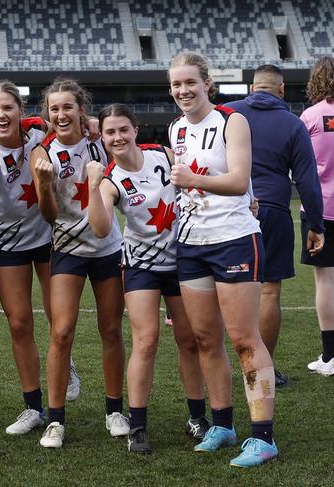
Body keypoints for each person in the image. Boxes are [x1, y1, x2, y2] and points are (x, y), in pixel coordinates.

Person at [167, 52, 278, 467]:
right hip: (192, 244)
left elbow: (237, 179)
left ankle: (263, 437)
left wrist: (194, 180)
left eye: (190, 83)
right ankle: (224, 425)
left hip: (233, 240)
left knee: (245, 339)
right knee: (204, 340)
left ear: (207, 83)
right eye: (176, 85)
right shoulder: (177, 127)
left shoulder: (233, 121)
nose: (183, 91)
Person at [87, 103, 208, 454]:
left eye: (123, 129)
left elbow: (196, 179)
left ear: (135, 129)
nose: (117, 137)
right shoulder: (110, 180)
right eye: (110, 132)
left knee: (189, 340)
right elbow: (100, 227)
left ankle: (197, 417)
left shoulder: (162, 154)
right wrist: (94, 186)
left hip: (182, 259)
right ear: (104, 137)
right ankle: (137, 425)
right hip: (141, 265)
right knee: (146, 340)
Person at [31, 79, 127, 449]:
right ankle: (55, 420)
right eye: (54, 109)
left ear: (81, 110)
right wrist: (43, 184)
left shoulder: (99, 144)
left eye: (67, 107)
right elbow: (48, 214)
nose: (60, 114)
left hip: (107, 247)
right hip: (68, 248)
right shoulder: (42, 153)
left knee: (111, 330)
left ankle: (114, 410)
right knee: (62, 331)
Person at [226, 64, 324, 387]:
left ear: (252, 89)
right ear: (282, 90)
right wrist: (316, 223)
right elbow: (307, 182)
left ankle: (219, 366)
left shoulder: (227, 113)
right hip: (273, 210)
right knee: (269, 291)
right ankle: (260, 372)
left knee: (220, 291)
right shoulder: (293, 124)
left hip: (229, 208)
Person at [0, 81, 53, 436]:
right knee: (19, 324)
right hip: (8, 244)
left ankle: (69, 367)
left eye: (8, 108)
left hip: (49, 237)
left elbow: (73, 124)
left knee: (58, 317)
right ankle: (33, 406)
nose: (1, 115)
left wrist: (90, 122)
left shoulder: (38, 129)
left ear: (21, 109)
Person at [300, 56, 334, 376]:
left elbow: (300, 165)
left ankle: (330, 356)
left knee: (325, 281)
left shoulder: (310, 115)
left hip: (320, 208)